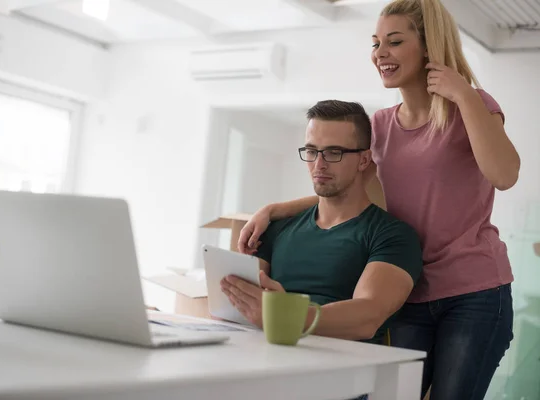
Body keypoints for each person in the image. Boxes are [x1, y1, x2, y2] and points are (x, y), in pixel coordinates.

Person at [237, 1, 519, 399]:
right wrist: (273, 210)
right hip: (412, 290)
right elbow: (349, 193)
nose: (380, 54)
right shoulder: (381, 126)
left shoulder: (472, 107)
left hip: (474, 293)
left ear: (428, 48)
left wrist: (463, 93)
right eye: (376, 43)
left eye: (395, 42)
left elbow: (505, 175)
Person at [220, 100, 423, 346]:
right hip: (267, 358)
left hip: (343, 374)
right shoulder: (276, 228)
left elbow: (368, 317)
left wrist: (285, 314)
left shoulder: (393, 236)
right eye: (312, 151)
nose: (319, 164)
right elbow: (234, 306)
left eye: (333, 152)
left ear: (363, 160)